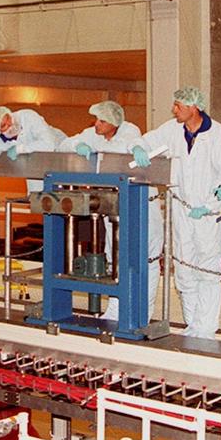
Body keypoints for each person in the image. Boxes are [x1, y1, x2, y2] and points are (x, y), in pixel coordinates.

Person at [130, 86, 221, 339]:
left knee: (208, 268)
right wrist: (138, 148)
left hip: (207, 212)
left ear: (193, 107)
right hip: (180, 208)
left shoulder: (217, 133)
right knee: (184, 267)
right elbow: (145, 140)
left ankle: (206, 327)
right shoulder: (172, 129)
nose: (174, 109)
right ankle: (192, 323)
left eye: (178, 105)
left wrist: (210, 205)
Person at [60, 101, 151, 322]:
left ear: (114, 122)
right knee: (113, 256)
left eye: (102, 121)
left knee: (140, 258)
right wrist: (80, 145)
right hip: (112, 202)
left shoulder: (129, 130)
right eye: (96, 120)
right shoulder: (95, 134)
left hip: (137, 202)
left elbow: (135, 142)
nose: (96, 124)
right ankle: (115, 309)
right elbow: (64, 144)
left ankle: (141, 313)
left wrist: (137, 149)